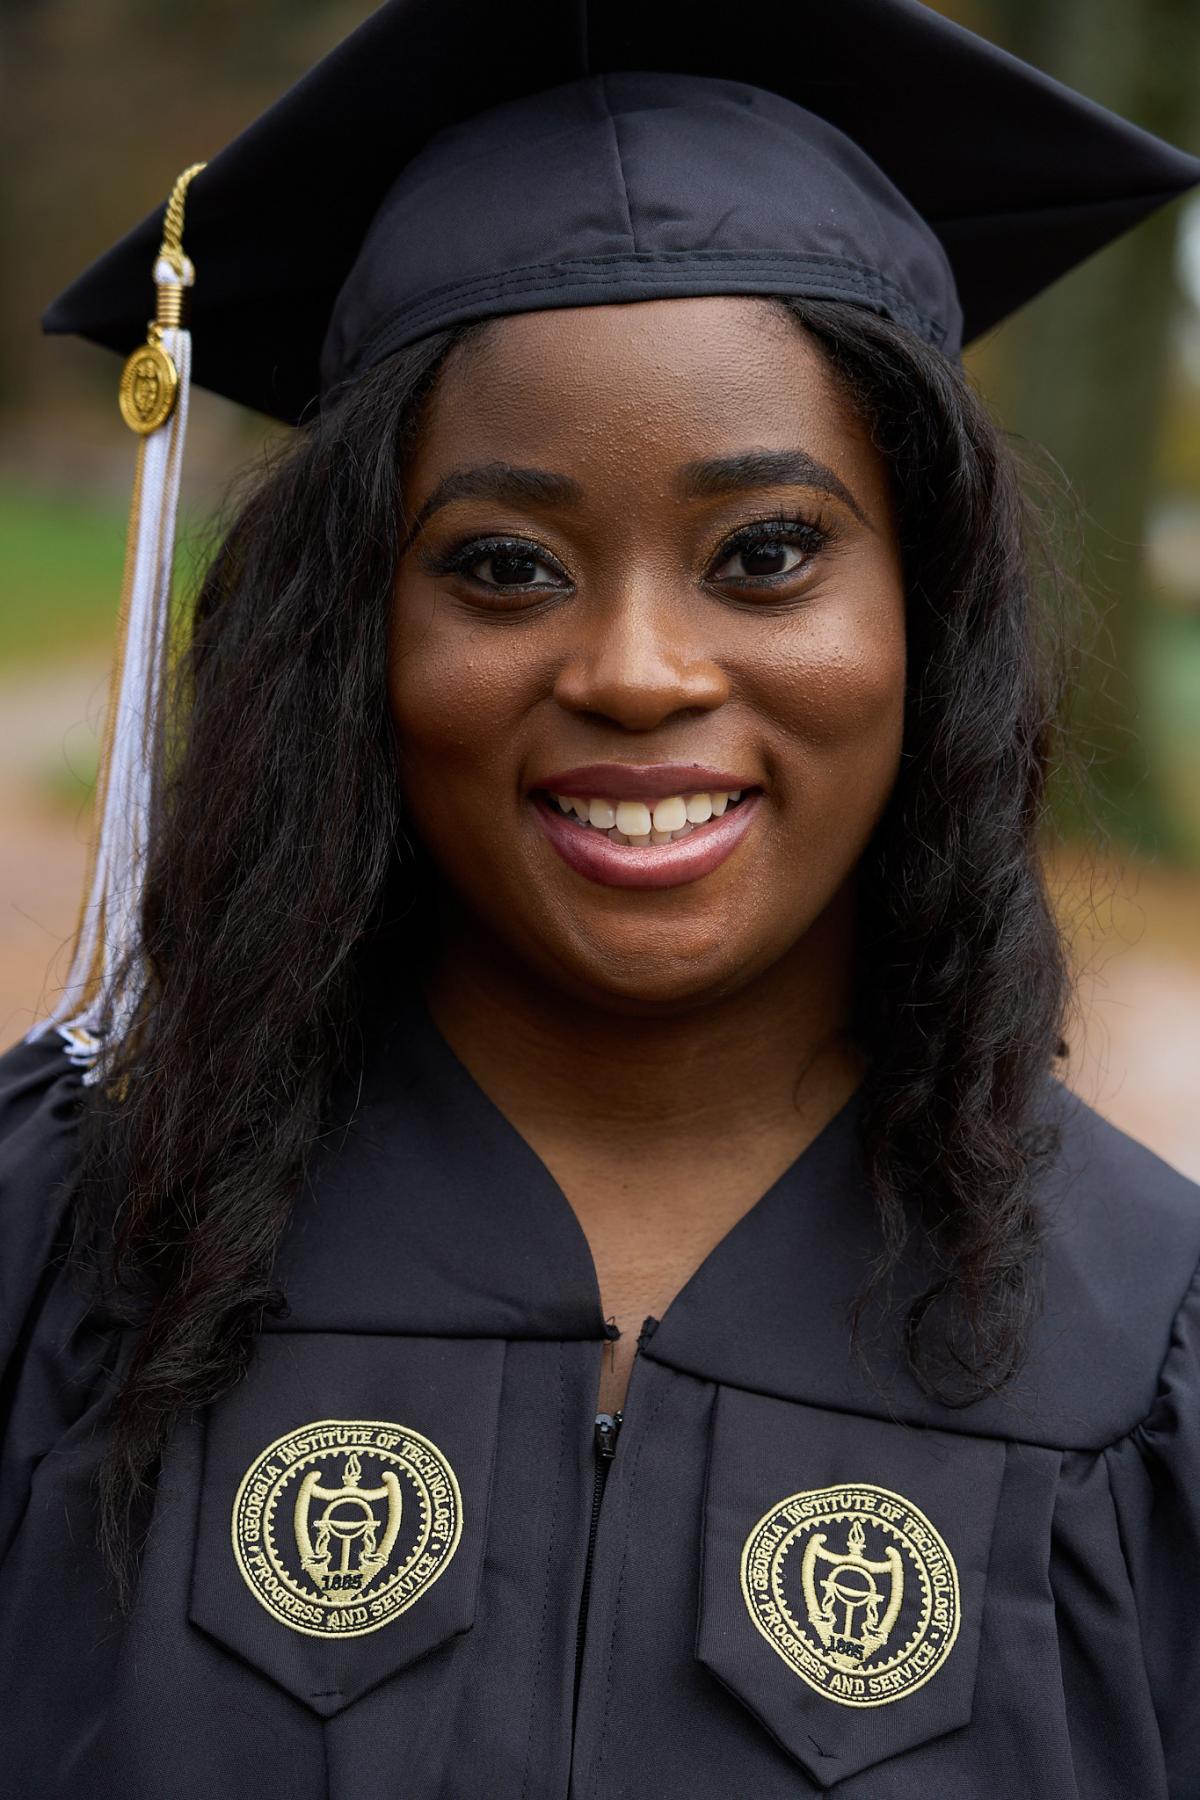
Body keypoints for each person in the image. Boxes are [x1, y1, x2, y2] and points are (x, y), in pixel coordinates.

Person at [2, 2, 1199, 1794]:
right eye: (503, 565)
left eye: (767, 553)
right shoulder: (57, 1251)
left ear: (929, 612)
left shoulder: (1153, 1350)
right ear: (357, 638)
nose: (639, 670)